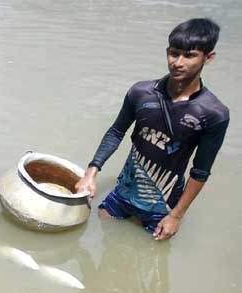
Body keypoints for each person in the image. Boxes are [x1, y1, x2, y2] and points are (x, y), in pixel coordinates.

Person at [75, 18, 229, 240]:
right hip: (124, 191)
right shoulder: (141, 93)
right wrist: (91, 173)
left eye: (189, 55)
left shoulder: (213, 113)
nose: (178, 62)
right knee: (104, 239)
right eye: (174, 53)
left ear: (208, 58)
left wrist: (176, 216)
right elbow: (116, 132)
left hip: (163, 205)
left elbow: (200, 171)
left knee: (152, 266)